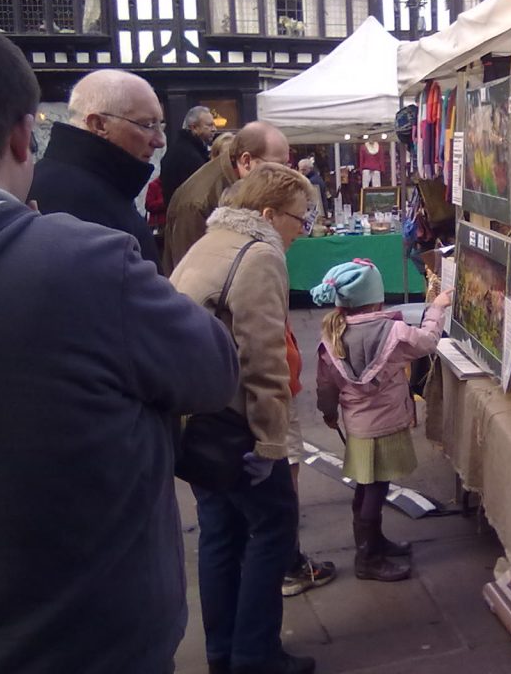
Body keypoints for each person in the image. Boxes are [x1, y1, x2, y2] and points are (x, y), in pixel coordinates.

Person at [0, 21, 240, 673]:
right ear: (21, 135)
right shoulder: (74, 258)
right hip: (83, 630)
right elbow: (212, 366)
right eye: (145, 127)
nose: (156, 143)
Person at [171, 163, 320, 674]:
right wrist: (270, 442)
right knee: (273, 527)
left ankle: (223, 653)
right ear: (268, 213)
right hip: (235, 425)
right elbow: (263, 358)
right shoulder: (258, 254)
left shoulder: (211, 242)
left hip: (199, 420)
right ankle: (256, 656)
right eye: (300, 219)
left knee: (220, 532)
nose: (304, 230)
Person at [312, 260, 453, 582]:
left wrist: (329, 413)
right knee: (376, 490)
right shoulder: (395, 331)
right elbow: (428, 341)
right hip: (387, 422)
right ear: (376, 299)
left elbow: (325, 384)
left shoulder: (332, 335)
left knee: (368, 487)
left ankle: (374, 543)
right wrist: (436, 308)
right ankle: (368, 559)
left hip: (358, 426)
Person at [29, 68, 167, 269]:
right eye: (147, 125)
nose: (160, 141)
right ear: (99, 124)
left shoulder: (97, 185)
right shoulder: (82, 203)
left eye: (160, 126)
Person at [163, 121, 289, 274]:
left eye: (286, 166)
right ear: (246, 160)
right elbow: (189, 273)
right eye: (277, 166)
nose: (283, 174)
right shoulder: (198, 200)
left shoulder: (246, 184)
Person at [160, 105, 216, 207]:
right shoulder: (189, 156)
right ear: (194, 128)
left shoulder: (180, 149)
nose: (214, 129)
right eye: (209, 125)